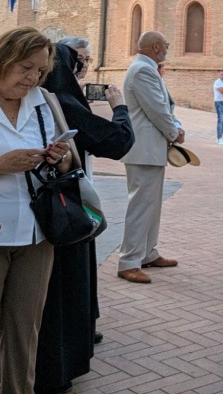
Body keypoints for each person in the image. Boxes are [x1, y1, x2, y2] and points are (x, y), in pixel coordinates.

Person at [0, 27, 74, 394]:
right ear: (1, 59)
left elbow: (70, 161)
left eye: (40, 70)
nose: (32, 78)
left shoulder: (43, 100)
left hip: (37, 232)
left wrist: (62, 157)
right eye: (26, 67)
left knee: (25, 332)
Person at [35, 42, 134, 394]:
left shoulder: (39, 100)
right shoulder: (58, 101)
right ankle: (58, 368)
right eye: (76, 65)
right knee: (62, 289)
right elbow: (117, 141)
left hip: (49, 207)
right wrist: (119, 107)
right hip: (64, 208)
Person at [116, 31, 184, 285]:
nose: (167, 48)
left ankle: (147, 253)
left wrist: (173, 128)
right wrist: (175, 132)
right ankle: (129, 261)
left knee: (151, 204)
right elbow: (156, 109)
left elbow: (162, 107)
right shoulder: (143, 70)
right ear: (156, 46)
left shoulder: (146, 68)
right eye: (165, 44)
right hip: (143, 148)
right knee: (141, 205)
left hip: (150, 148)